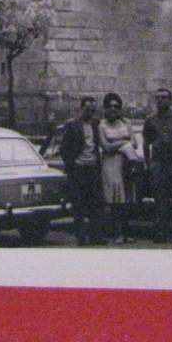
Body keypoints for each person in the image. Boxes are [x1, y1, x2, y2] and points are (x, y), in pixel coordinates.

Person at [143, 87, 172, 243]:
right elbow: (146, 142)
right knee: (160, 199)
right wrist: (148, 162)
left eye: (164, 97)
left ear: (170, 100)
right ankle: (161, 232)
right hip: (159, 164)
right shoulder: (150, 119)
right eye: (158, 98)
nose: (160, 100)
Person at [59, 95, 104, 246]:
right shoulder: (72, 124)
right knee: (78, 205)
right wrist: (72, 164)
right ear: (81, 108)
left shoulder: (96, 124)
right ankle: (80, 237)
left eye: (92, 110)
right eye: (87, 109)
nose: (89, 113)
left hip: (92, 168)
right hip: (78, 169)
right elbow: (64, 148)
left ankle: (95, 237)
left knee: (95, 204)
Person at [98, 92, 139, 244]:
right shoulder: (101, 126)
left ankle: (126, 233)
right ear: (105, 108)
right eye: (109, 106)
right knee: (113, 199)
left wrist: (119, 144)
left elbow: (134, 143)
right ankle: (114, 233)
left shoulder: (126, 122)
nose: (113, 109)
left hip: (126, 163)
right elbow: (106, 147)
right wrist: (123, 142)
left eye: (116, 106)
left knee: (126, 199)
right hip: (110, 164)